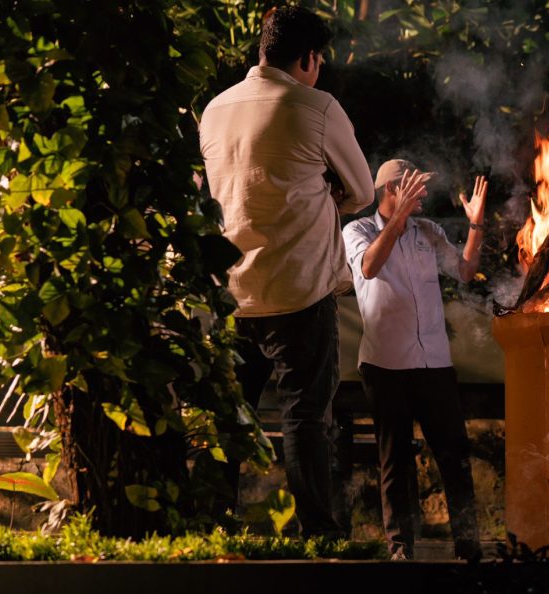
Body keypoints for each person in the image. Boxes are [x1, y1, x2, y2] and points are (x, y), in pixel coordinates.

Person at [199, 6, 374, 538]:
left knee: (229, 414)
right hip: (299, 288)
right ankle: (318, 531)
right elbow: (363, 192)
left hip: (232, 289)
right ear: (308, 58)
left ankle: (209, 523)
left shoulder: (215, 109)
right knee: (304, 415)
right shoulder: (316, 106)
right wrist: (322, 194)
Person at [342, 159, 487, 560]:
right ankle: (400, 548)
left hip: (435, 363)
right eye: (416, 188)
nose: (424, 194)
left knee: (454, 456)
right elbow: (369, 267)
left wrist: (475, 225)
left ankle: (469, 548)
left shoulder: (430, 231)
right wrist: (399, 218)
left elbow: (465, 270)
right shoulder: (358, 230)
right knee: (395, 460)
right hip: (385, 364)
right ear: (393, 189)